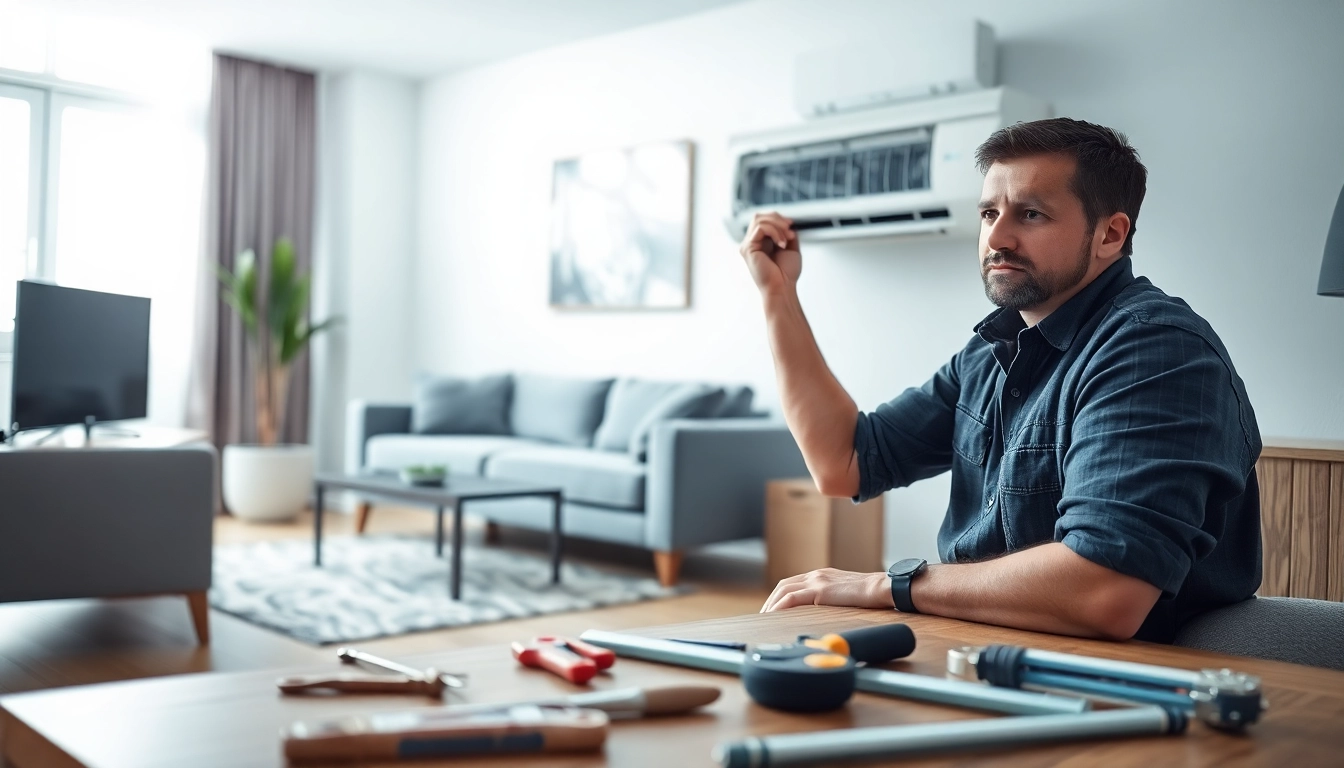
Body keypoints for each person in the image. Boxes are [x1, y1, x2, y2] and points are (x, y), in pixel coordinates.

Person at [743, 118, 1260, 643]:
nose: (996, 237)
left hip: (1121, 679)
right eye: (989, 212)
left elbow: (1105, 591)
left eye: (1030, 214)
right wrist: (778, 296)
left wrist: (890, 585)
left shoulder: (1155, 349)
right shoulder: (993, 350)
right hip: (978, 647)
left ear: (1110, 234)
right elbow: (845, 462)